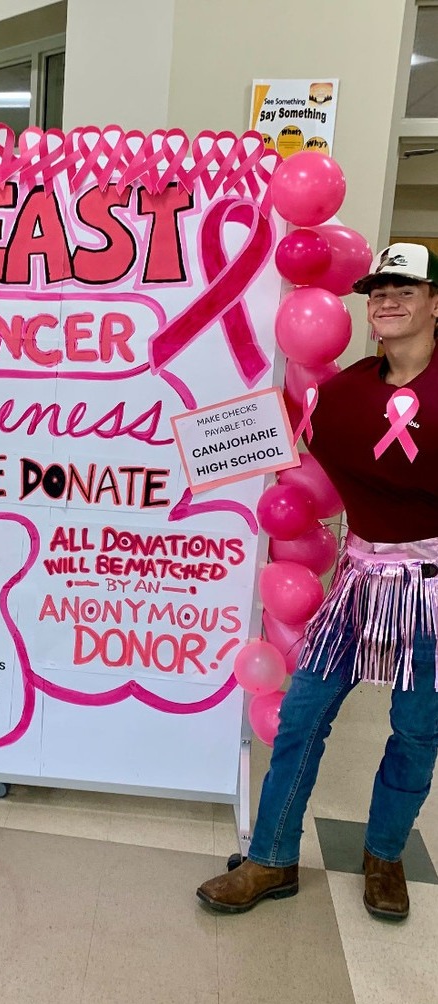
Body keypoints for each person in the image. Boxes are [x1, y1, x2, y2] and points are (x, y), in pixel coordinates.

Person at [197, 242, 438, 922]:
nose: (386, 300)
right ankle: (271, 857)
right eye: (377, 290)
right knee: (301, 719)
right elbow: (280, 436)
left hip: (434, 586)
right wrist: (221, 427)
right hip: (359, 578)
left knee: (417, 732)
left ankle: (384, 853)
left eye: (405, 289)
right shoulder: (340, 393)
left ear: (435, 304)